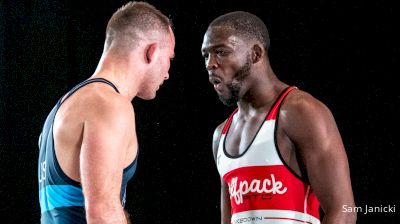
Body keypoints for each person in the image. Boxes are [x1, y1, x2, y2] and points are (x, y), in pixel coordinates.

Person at [201, 11, 356, 224]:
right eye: (206, 55)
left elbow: (344, 211)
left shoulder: (301, 112)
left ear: (255, 53)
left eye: (221, 52)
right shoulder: (221, 135)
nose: (210, 64)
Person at [37, 1, 175, 223]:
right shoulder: (109, 105)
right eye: (170, 59)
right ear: (152, 52)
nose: (168, 73)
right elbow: (102, 213)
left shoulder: (65, 105)